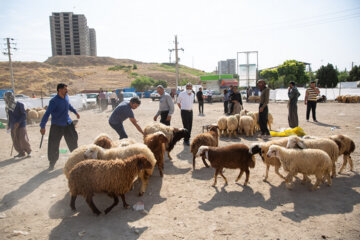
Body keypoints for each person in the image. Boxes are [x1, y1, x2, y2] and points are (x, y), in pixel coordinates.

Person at [40, 83, 80, 170]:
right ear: (60, 90)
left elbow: (68, 105)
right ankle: (52, 162)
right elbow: (47, 114)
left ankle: (76, 160)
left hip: (67, 123)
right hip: (57, 125)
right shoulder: (53, 101)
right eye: (65, 89)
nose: (66, 90)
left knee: (73, 140)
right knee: (53, 144)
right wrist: (42, 126)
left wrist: (75, 112)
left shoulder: (66, 97)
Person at [4, 91, 32, 158]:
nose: (5, 99)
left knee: (23, 139)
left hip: (21, 124)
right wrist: (9, 125)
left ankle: (28, 151)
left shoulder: (19, 104)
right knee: (15, 139)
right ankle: (21, 152)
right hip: (13, 125)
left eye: (5, 97)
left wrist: (18, 122)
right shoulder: (7, 107)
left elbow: (24, 115)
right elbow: (9, 117)